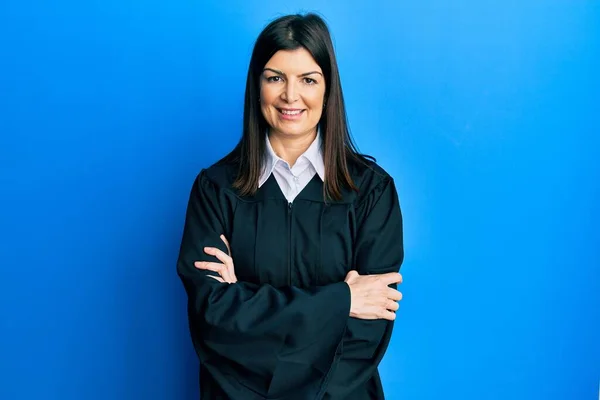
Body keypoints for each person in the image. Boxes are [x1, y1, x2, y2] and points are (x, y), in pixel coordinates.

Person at [177, 12, 404, 400]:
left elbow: (365, 338)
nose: (290, 96)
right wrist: (341, 300)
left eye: (308, 80)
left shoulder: (371, 192)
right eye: (275, 77)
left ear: (328, 89)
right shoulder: (215, 190)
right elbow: (212, 320)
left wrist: (244, 301)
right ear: (257, 86)